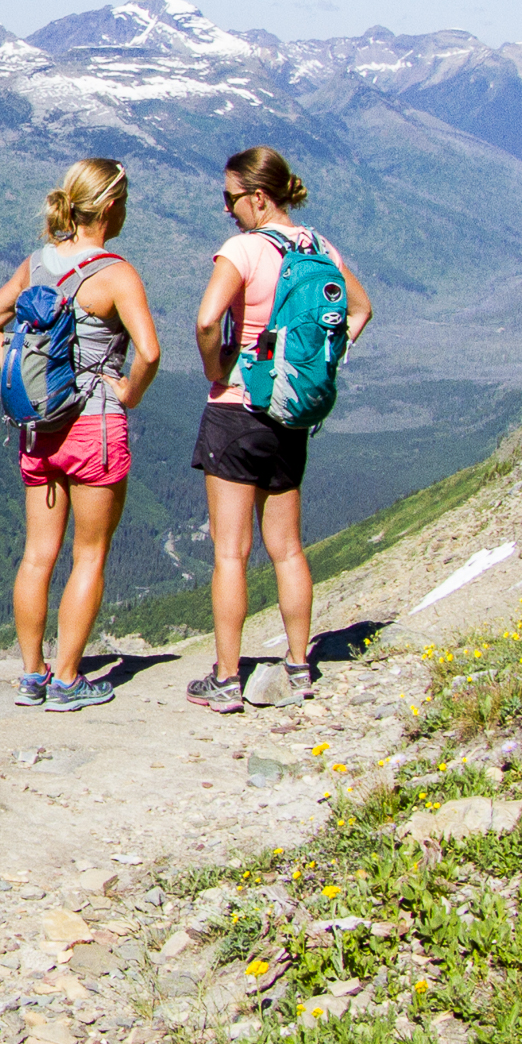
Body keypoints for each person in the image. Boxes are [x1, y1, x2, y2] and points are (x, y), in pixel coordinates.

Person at [187, 146, 374, 713]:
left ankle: (225, 678)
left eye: (230, 197)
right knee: (288, 549)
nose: (227, 209)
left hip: (238, 410)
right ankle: (298, 666)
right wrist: (318, 366)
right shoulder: (321, 248)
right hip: (292, 413)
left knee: (230, 552)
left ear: (259, 197)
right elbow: (360, 309)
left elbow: (205, 319)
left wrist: (219, 368)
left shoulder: (242, 249)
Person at [0, 158, 162, 713]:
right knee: (89, 555)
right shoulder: (116, 274)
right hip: (94, 427)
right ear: (109, 207)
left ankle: (32, 675)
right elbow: (148, 352)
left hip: (39, 428)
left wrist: (18, 377)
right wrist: (128, 391)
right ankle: (69, 679)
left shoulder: (38, 265)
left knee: (37, 556)